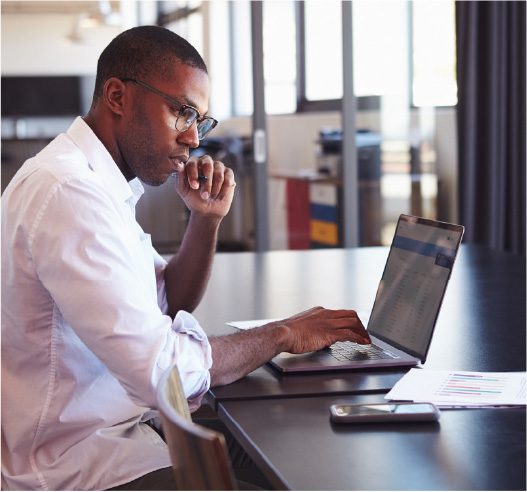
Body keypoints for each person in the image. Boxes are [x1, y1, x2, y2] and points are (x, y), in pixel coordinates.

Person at [1, 26, 370, 491]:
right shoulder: (69, 193)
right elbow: (162, 372)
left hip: (121, 433)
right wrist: (283, 332)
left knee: (290, 455)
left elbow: (169, 299)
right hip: (80, 465)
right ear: (117, 95)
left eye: (201, 120)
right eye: (183, 113)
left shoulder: (97, 185)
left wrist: (206, 219)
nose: (194, 138)